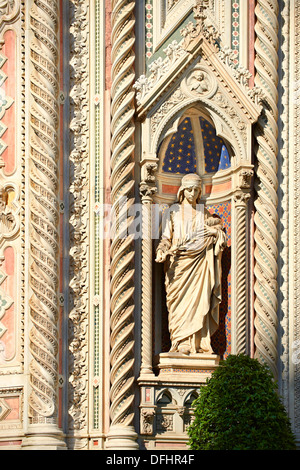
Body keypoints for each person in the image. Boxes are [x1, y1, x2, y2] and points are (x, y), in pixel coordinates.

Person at [155, 173, 227, 355]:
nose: (192, 193)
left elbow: (213, 234)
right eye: (189, 189)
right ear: (182, 191)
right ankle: (180, 342)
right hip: (178, 265)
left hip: (200, 265)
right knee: (179, 305)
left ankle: (199, 343)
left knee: (199, 302)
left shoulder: (203, 213)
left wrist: (215, 233)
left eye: (196, 190)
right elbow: (165, 239)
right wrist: (162, 251)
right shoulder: (173, 212)